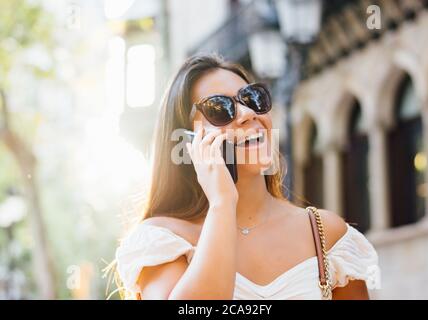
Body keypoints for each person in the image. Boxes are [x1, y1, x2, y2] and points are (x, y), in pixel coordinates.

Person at [114, 53, 379, 300]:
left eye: (252, 98)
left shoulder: (326, 234)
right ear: (187, 143)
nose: (248, 114)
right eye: (220, 108)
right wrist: (222, 202)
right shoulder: (163, 240)